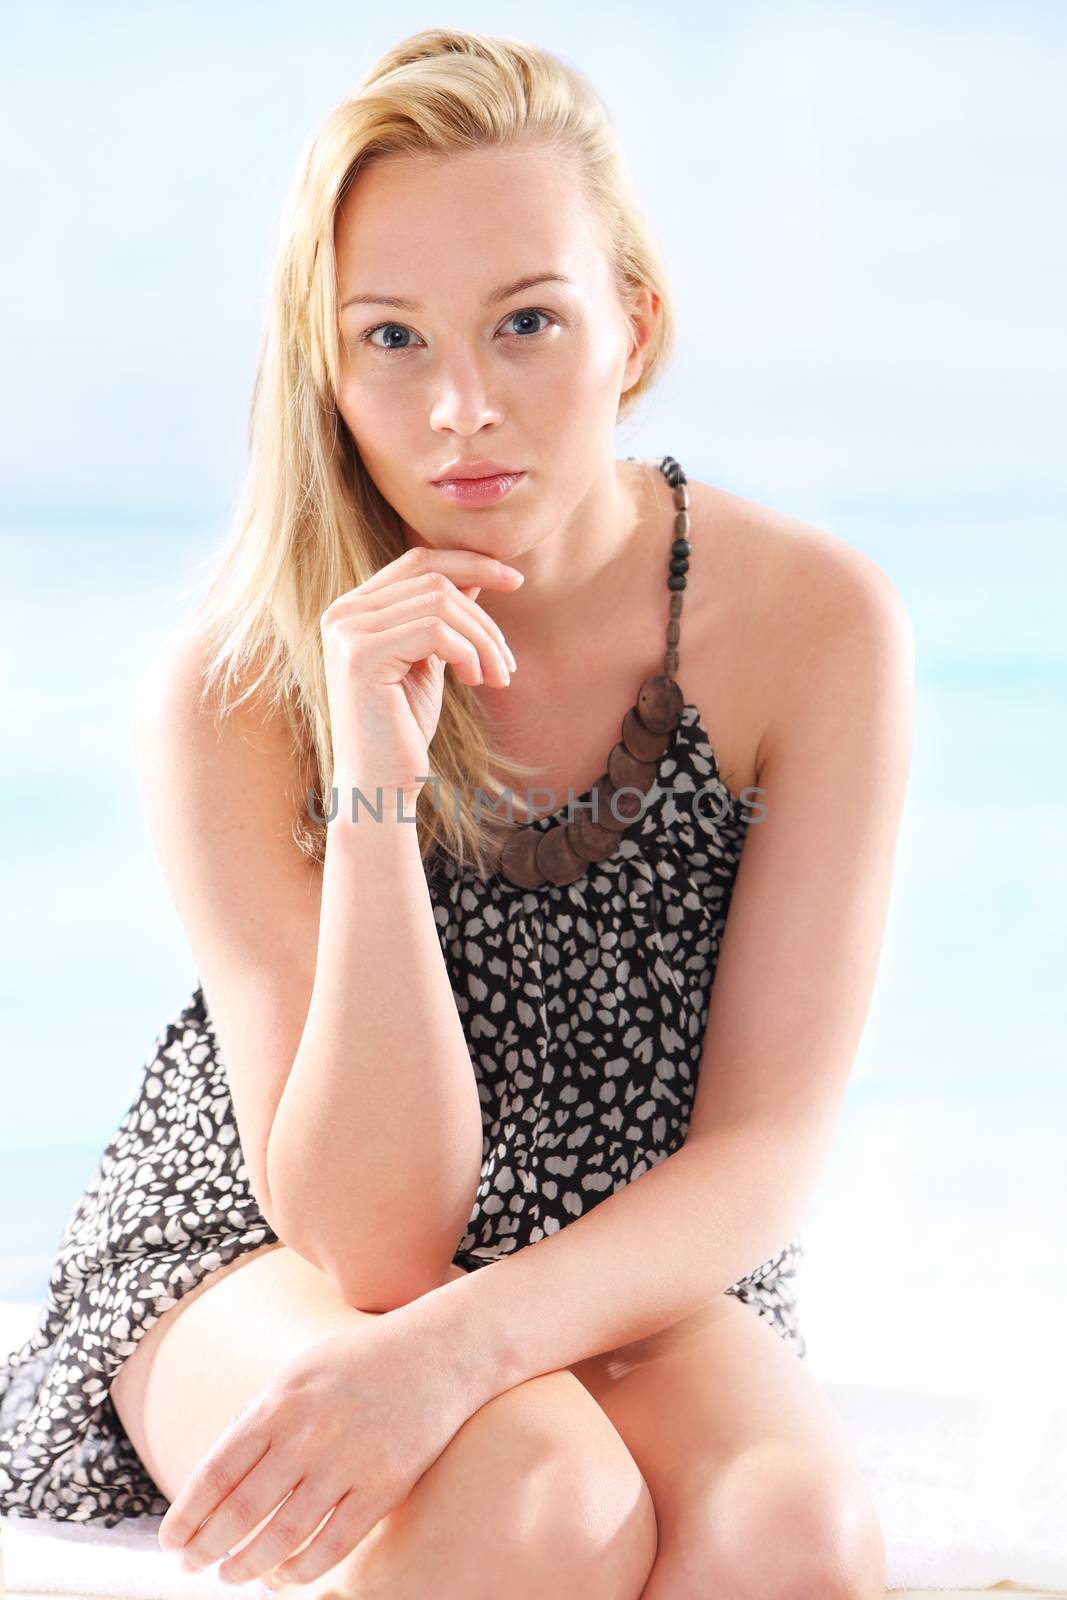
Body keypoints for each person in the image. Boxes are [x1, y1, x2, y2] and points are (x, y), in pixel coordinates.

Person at [0, 26, 911, 1599]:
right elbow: (373, 1243)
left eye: (527, 323)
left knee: (792, 1539)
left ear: (634, 327)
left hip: (639, 1236)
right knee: (531, 1492)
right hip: (267, 1227)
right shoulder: (235, 691)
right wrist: (373, 775)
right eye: (394, 340)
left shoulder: (813, 625)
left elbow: (766, 1148)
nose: (462, 410)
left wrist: (457, 1350)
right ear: (329, 367)